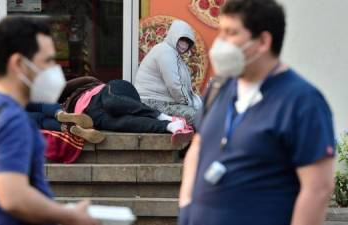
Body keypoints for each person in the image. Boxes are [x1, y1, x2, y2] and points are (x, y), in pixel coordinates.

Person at [178, 1, 335, 225]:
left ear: (263, 41)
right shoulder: (218, 88)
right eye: (220, 31)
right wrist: (186, 206)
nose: (220, 42)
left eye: (231, 33)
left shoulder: (303, 102)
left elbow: (318, 189)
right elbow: (198, 147)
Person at [0, 17, 98, 225]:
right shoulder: (12, 120)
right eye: (47, 61)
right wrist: (71, 216)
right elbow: (14, 198)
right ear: (19, 64)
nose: (54, 69)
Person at [63, 77, 194, 145]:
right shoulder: (62, 110)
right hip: (92, 116)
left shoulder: (81, 87)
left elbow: (86, 80)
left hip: (106, 91)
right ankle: (171, 126)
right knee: (123, 123)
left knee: (113, 103)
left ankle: (165, 117)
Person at [135, 20, 202, 124]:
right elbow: (175, 85)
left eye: (187, 42)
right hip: (152, 103)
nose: (184, 46)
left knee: (205, 112)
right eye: (181, 40)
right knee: (200, 117)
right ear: (173, 36)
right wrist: (190, 103)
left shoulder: (172, 53)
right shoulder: (166, 52)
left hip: (160, 101)